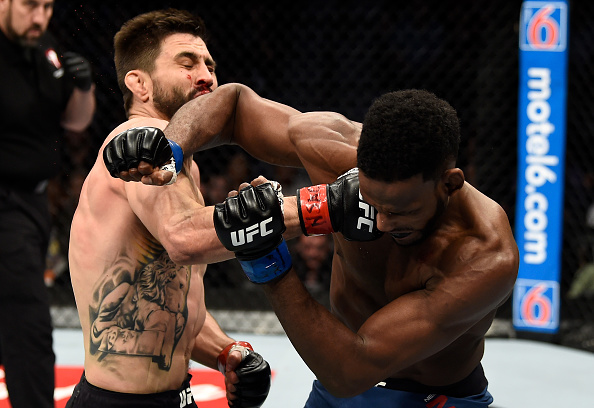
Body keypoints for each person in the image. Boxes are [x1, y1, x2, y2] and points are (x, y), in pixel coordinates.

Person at [103, 84, 519, 407]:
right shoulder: (334, 152)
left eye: (402, 211)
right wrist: (170, 146)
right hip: (338, 384)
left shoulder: (484, 255)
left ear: (449, 184)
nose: (384, 221)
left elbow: (351, 368)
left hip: (429, 395)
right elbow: (233, 104)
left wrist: (266, 258)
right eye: (374, 204)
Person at [66, 9, 281, 408]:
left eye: (209, 64)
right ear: (139, 83)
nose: (207, 76)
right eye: (187, 63)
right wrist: (316, 211)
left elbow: (170, 300)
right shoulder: (137, 144)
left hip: (174, 395)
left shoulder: (183, 164)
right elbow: (185, 239)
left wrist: (225, 351)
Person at [0, 0, 95, 406]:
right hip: (4, 205)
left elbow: (75, 121)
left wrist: (84, 87)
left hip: (34, 204)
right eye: (29, 5)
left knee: (16, 317)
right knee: (28, 323)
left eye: (47, 6)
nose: (40, 17)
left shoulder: (44, 47)